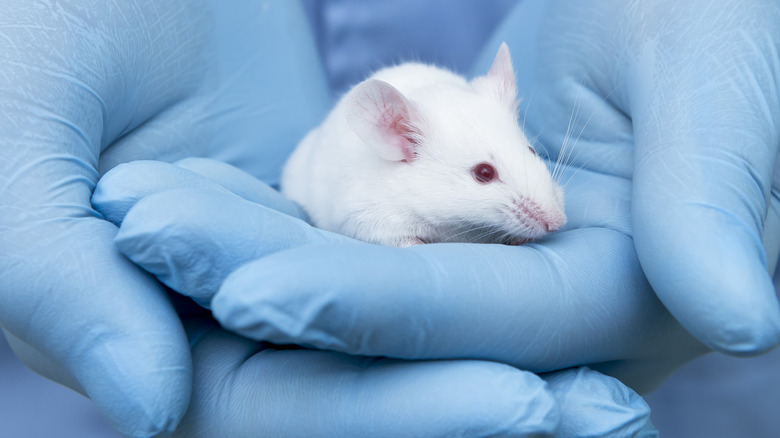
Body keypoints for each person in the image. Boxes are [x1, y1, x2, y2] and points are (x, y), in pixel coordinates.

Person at [1, 1, 777, 437]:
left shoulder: (477, 114)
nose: (544, 209)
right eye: (482, 176)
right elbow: (357, 218)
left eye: (528, 160)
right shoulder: (386, 152)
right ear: (396, 141)